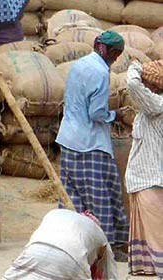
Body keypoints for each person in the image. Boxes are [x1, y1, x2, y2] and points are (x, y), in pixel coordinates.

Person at [55, 30, 129, 258]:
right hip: (90, 143)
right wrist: (116, 115)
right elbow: (97, 113)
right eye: (115, 53)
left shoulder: (79, 65)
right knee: (102, 197)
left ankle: (71, 241)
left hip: (68, 138)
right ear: (105, 49)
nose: (115, 58)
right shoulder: (100, 73)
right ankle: (107, 246)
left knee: (73, 194)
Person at [124, 59, 163, 277]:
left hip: (151, 177)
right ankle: (147, 268)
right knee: (147, 229)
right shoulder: (153, 106)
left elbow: (132, 86)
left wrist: (135, 67)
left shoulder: (156, 106)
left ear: (154, 86)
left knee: (156, 230)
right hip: (142, 177)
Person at [3, 209, 119, 279]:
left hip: (34, 250)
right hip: (71, 259)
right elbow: (110, 271)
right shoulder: (99, 234)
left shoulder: (55, 213)